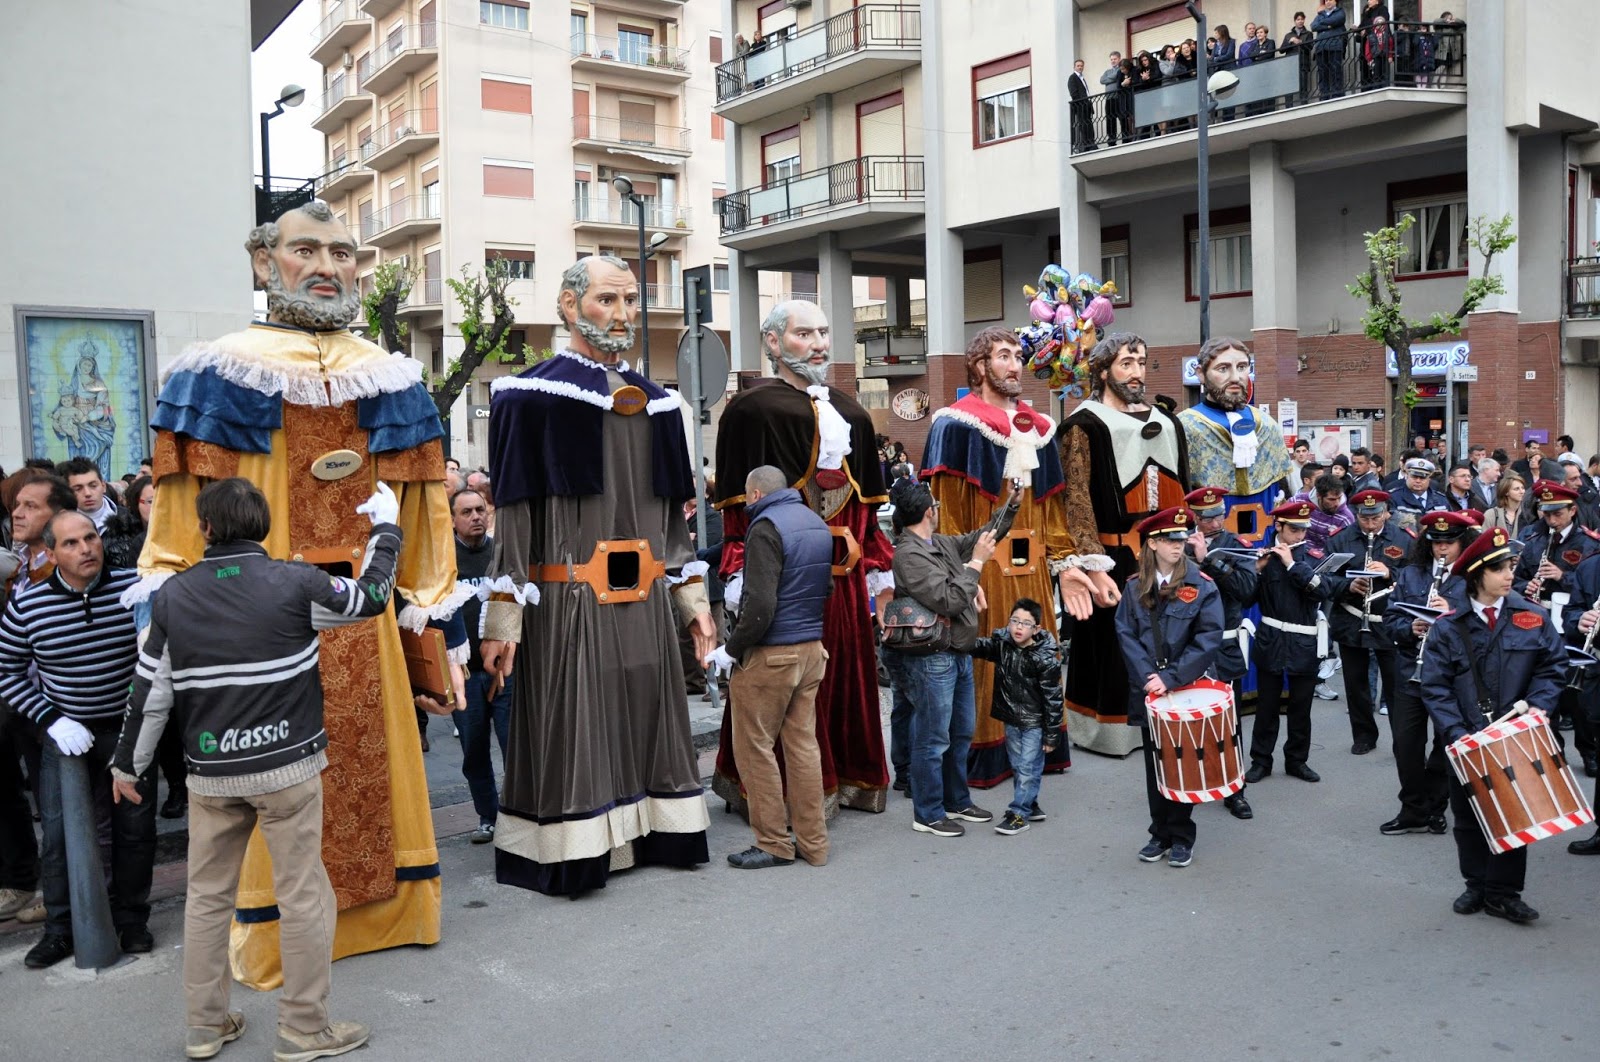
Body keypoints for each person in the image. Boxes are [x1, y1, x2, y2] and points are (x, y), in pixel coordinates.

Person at [132, 200, 462, 983]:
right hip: (257, 634)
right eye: (305, 250)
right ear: (262, 261)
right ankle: (277, 944)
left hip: (369, 629)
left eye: (342, 253)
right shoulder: (216, 374)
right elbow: (176, 526)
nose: (326, 267)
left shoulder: (391, 377)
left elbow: (426, 518)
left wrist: (435, 634)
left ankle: (393, 915)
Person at [110, 478, 401, 1062]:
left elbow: (150, 692)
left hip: (211, 772)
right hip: (287, 767)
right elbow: (372, 597)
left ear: (206, 528)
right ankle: (303, 1029)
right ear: (262, 526)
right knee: (302, 896)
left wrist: (127, 766)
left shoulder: (171, 597)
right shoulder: (297, 583)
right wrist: (386, 529)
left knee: (207, 899)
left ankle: (204, 1026)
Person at [481, 255, 712, 896]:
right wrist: (503, 620)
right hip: (568, 604)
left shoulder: (660, 404)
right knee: (578, 726)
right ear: (568, 304)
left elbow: (674, 528)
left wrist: (693, 605)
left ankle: (649, 833)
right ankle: (579, 849)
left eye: (631, 300)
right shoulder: (528, 397)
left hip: (644, 605)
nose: (623, 314)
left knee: (645, 715)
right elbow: (514, 518)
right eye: (608, 300)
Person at [710, 300, 892, 816]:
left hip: (845, 586)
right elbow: (739, 514)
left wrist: (879, 574)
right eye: (804, 333)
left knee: (843, 685)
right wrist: (741, 576)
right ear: (773, 342)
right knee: (779, 695)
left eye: (823, 333)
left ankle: (847, 781)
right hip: (784, 583)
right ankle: (782, 802)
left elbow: (867, 516)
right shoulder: (751, 411)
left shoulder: (852, 412)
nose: (818, 344)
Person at [922, 327, 1077, 784]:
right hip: (984, 569)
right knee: (987, 663)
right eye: (1003, 356)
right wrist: (960, 577)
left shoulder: (1040, 428)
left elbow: (1052, 512)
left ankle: (1041, 746)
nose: (1014, 366)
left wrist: (1068, 565)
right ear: (979, 365)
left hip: (1033, 571)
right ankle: (987, 754)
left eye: (1017, 357)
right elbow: (946, 518)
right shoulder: (955, 425)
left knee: (1038, 657)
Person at [0, 510, 148, 970]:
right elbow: (6, 672)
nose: (86, 549)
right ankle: (60, 929)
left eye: (90, 538)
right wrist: (52, 719)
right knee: (59, 837)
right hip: (65, 736)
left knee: (134, 831)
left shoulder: (132, 588)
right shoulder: (29, 605)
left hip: (128, 730)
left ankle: (131, 920)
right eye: (71, 543)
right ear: (50, 552)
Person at [1420, 526, 1564, 924]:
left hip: (1516, 736)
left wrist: (1538, 708)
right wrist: (1456, 733)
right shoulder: (1449, 625)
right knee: (1468, 817)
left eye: (1511, 566)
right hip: (1465, 739)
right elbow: (1435, 686)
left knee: (1514, 814)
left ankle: (1504, 893)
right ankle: (1477, 885)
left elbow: (1553, 667)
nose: (1509, 575)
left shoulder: (1531, 617)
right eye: (1499, 568)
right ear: (1476, 575)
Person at [1060, 332, 1189, 756]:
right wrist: (1091, 562)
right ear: (1102, 372)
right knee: (1112, 647)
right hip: (1112, 555)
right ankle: (1111, 732)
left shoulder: (1168, 421)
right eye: (1126, 363)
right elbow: (1076, 501)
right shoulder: (1084, 424)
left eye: (1141, 363)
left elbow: (1185, 488)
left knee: (1169, 638)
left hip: (1166, 551)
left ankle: (1166, 719)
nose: (1136, 373)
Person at [703, 466, 832, 870]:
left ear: (756, 494)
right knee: (803, 747)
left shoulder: (765, 528)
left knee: (755, 750)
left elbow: (760, 605)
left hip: (771, 655)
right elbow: (825, 588)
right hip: (811, 650)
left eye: (746, 495)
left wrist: (730, 650)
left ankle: (774, 843)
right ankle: (814, 844)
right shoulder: (815, 523)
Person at [887, 479, 1020, 837]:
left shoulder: (939, 542)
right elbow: (949, 600)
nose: (938, 510)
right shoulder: (908, 554)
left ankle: (956, 800)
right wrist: (975, 565)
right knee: (933, 739)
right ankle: (928, 813)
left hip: (956, 651)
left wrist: (1011, 504)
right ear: (928, 512)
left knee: (960, 733)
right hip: (932, 657)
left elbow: (983, 536)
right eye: (935, 506)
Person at [1115, 506, 1225, 868]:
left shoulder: (1201, 585)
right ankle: (1158, 833)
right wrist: (1149, 677)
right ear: (1152, 543)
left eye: (1181, 539)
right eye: (1169, 540)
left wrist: (1171, 677)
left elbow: (1207, 638)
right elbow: (1126, 633)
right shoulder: (1135, 586)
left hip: (1184, 687)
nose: (1179, 545)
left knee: (1181, 763)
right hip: (1148, 687)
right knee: (1154, 764)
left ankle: (1180, 835)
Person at [1382, 510, 1474, 835]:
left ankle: (1434, 805)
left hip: (1451, 675)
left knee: (1445, 744)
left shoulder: (1473, 578)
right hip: (1412, 668)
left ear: (1463, 543)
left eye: (1449, 542)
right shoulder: (1411, 574)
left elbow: (1482, 627)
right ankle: (1414, 808)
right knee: (1405, 744)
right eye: (1436, 542)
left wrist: (1451, 614)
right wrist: (1410, 627)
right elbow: (1390, 619)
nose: (1442, 548)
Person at [1246, 500, 1335, 784]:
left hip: (1304, 640)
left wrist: (1293, 565)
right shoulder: (1263, 556)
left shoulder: (1311, 557)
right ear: (1278, 526)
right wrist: (1255, 570)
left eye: (1303, 530)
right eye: (1294, 530)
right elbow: (1245, 598)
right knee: (1267, 707)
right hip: (1271, 639)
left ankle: (1297, 761)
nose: (1299, 536)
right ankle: (1261, 761)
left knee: (1300, 707)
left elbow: (1322, 592)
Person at [1514, 481, 1600, 773]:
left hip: (1571, 626)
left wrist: (1563, 576)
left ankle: (1589, 751)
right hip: (1538, 622)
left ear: (1572, 510)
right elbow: (1513, 580)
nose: (1551, 520)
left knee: (1576, 696)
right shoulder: (1532, 539)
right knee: (1543, 690)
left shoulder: (1588, 543)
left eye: (1557, 514)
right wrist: (1527, 586)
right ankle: (1554, 750)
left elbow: (1590, 588)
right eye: (1546, 514)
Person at [1176, 338, 1294, 546]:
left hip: (1266, 541)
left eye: (1242, 367)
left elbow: (1283, 489)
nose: (1235, 377)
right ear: (1201, 374)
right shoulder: (1185, 426)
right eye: (1223, 368)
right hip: (1209, 543)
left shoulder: (1266, 424)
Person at [1185, 486, 1258, 820]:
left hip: (1225, 645)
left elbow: (1246, 592)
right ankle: (1191, 783)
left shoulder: (1235, 545)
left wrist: (1209, 561)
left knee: (1230, 725)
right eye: (1205, 518)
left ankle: (1235, 791)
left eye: (1217, 516)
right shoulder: (1180, 544)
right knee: (1189, 721)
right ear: (1194, 518)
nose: (1213, 524)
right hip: (1189, 649)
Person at [969, 597, 1062, 835]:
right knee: (1019, 766)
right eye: (1015, 621)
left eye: (1026, 623)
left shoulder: (1044, 659)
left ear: (1036, 629)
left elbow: (1053, 699)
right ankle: (1030, 803)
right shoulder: (1003, 645)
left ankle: (1019, 813)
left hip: (1034, 724)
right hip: (1011, 719)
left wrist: (1051, 735)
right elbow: (978, 646)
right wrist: (958, 635)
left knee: (1028, 767)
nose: (1019, 627)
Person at [1326, 490, 1410, 755]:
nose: (1371, 524)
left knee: (1396, 685)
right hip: (1351, 617)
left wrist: (1389, 572)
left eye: (1376, 517)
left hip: (1389, 620)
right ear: (1356, 515)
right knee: (1356, 683)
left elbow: (1416, 576)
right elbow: (1325, 580)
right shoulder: (1340, 539)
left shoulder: (1403, 539)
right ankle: (1364, 736)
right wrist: (1348, 586)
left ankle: (1403, 739)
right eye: (1364, 518)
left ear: (1386, 513)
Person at [448, 488, 510, 845]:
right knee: (474, 751)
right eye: (467, 512)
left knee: (513, 745)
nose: (476, 517)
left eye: (480, 510)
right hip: (465, 673)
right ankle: (488, 817)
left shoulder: (501, 553)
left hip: (503, 671)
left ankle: (517, 813)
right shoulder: (445, 560)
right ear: (453, 519)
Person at [1390, 457, 1447, 534]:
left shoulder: (1441, 500)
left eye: (1422, 478)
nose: (1418, 481)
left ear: (1429, 479)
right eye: (1414, 477)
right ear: (1407, 476)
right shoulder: (1393, 498)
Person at [1306, 472, 1353, 553]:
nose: (1337, 503)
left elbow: (1348, 548)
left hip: (1327, 556)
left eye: (1339, 498)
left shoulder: (1346, 518)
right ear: (1318, 495)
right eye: (1332, 499)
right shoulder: (1299, 502)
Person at [1310, 0, 1348, 99]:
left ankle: (1337, 94)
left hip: (1334, 45)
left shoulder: (1340, 12)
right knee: (1322, 73)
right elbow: (1313, 26)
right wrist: (1329, 26)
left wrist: (1322, 24)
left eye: (1330, 0)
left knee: (1336, 71)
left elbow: (1338, 19)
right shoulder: (1320, 15)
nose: (1328, 2)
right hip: (1321, 48)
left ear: (1335, 1)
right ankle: (1324, 95)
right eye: (1326, 0)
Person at [1481, 472, 1526, 537]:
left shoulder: (1527, 514)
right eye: (1516, 489)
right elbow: (1484, 538)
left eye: (1523, 488)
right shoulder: (1491, 514)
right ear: (1506, 492)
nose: (1522, 491)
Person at [1099, 51, 1125, 146]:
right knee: (1110, 120)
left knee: (1122, 118)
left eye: (1115, 59)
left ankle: (1125, 138)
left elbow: (1118, 75)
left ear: (1119, 59)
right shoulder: (1107, 71)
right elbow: (1102, 80)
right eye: (1111, 59)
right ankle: (1112, 140)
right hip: (1109, 99)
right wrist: (1113, 78)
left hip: (1119, 98)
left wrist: (1109, 79)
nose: (1113, 61)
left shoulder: (1121, 69)